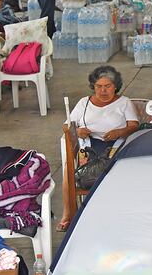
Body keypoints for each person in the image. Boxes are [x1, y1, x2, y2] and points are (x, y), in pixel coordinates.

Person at [60, 65, 140, 231]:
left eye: (107, 86)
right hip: (90, 147)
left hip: (117, 146)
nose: (103, 91)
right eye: (99, 86)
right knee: (68, 172)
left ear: (115, 86)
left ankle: (116, 214)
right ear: (93, 86)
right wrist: (78, 131)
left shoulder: (124, 103)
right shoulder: (84, 103)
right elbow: (67, 126)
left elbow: (134, 125)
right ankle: (68, 214)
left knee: (120, 171)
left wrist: (119, 131)